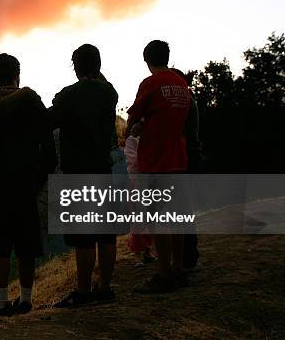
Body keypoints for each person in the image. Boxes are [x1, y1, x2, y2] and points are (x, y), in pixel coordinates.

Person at [0, 53, 57, 317]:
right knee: (26, 241)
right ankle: (26, 300)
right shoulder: (31, 102)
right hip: (25, 182)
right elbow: (47, 144)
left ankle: (1, 303)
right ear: (18, 74)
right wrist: (40, 178)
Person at [49, 44, 119, 307]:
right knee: (106, 234)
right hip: (103, 167)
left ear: (75, 66)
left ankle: (82, 291)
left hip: (78, 170)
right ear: (99, 65)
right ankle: (104, 287)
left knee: (84, 236)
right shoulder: (109, 92)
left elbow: (49, 121)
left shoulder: (69, 95)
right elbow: (104, 83)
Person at [127, 40, 191, 294]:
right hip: (178, 156)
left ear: (147, 60)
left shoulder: (151, 83)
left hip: (155, 160)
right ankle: (178, 269)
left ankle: (164, 275)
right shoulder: (181, 83)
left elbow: (133, 117)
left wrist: (136, 126)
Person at [170, 68, 201, 271]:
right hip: (193, 154)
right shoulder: (191, 99)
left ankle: (186, 257)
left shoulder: (184, 101)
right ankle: (188, 255)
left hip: (185, 156)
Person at [124, 133, 156, 267]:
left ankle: (147, 250)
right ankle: (138, 255)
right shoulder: (131, 140)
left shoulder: (149, 137)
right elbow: (133, 162)